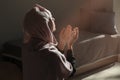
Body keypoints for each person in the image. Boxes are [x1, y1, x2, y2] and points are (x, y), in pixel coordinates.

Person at [22, 4, 79, 80]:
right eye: (51, 18)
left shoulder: (26, 48)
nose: (54, 19)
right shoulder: (51, 54)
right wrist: (69, 45)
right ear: (45, 25)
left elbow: (53, 65)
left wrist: (62, 42)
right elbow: (70, 71)